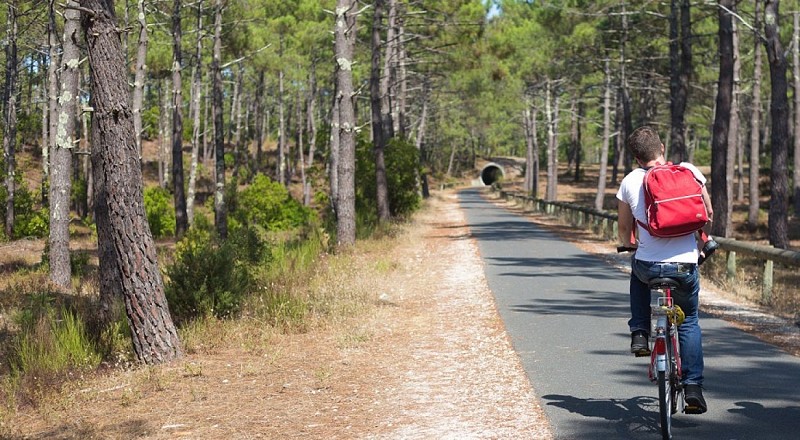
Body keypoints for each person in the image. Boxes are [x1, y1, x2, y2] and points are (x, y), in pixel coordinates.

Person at [616, 126, 713, 414]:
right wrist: (700, 240)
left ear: (636, 157)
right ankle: (693, 387)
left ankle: (640, 332)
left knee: (637, 271)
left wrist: (628, 245)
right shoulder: (689, 170)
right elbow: (707, 213)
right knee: (690, 320)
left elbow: (624, 228)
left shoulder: (630, 181)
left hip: (649, 266)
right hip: (684, 265)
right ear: (662, 148)